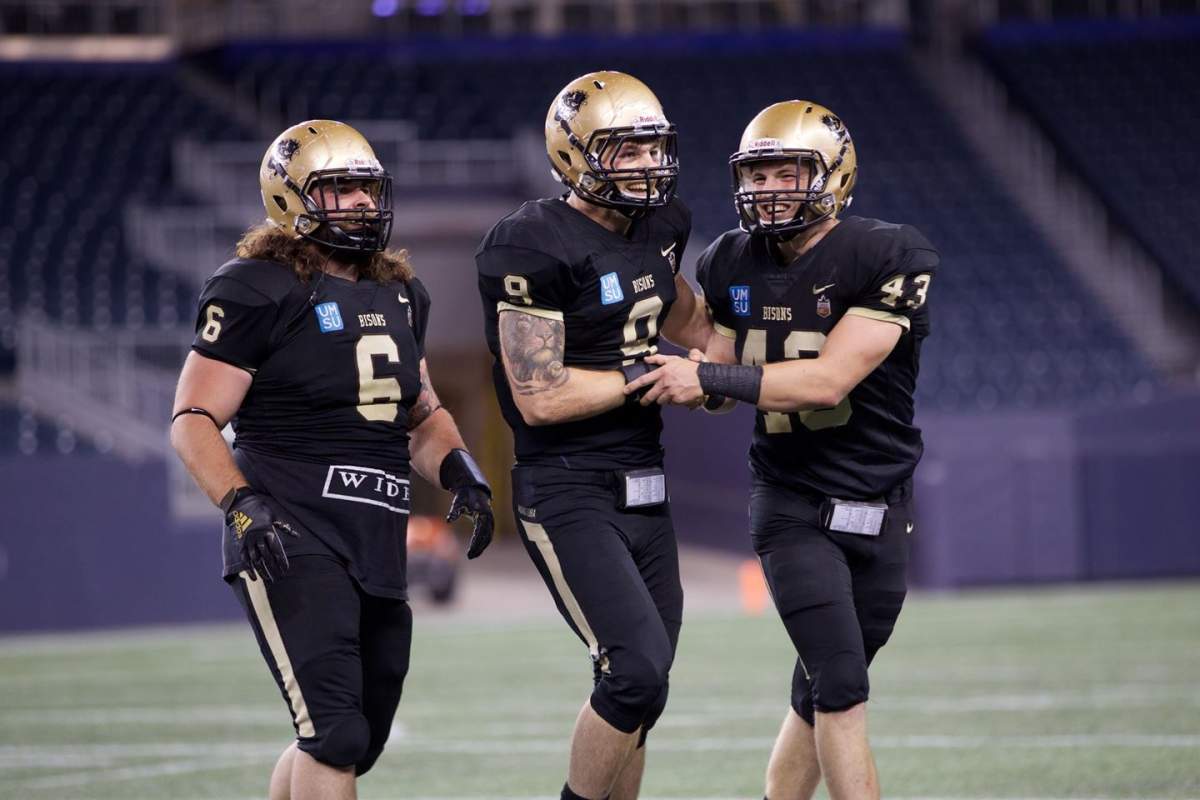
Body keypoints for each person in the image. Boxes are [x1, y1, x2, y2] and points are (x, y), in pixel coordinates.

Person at [170, 119, 494, 800]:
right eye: (338, 190)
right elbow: (194, 420)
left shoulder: (404, 293)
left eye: (365, 190)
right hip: (289, 530)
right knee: (335, 735)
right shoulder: (258, 287)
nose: (359, 205)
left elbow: (421, 411)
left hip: (375, 535)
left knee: (354, 739)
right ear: (291, 199)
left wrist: (458, 465)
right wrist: (240, 505)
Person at [626, 100, 938, 800]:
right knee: (842, 686)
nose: (769, 188)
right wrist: (691, 376)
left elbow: (828, 381)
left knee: (821, 687)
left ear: (833, 174)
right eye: (757, 173)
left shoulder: (886, 253)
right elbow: (726, 365)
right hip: (791, 501)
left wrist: (707, 375)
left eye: (787, 171)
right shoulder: (730, 259)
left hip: (880, 499)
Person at [474, 71, 712, 800]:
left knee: (647, 688)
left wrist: (728, 365)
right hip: (568, 483)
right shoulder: (532, 243)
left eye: (652, 149)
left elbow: (687, 320)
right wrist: (656, 376)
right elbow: (540, 397)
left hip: (646, 477)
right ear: (575, 154)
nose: (645, 165)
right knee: (634, 670)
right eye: (624, 150)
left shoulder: (663, 227)